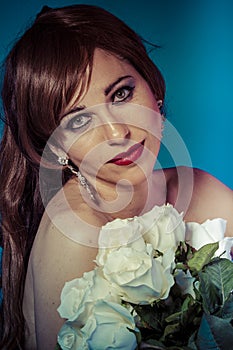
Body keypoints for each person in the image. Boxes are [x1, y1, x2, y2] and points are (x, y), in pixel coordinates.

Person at [0, 4, 232, 349]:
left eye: (121, 94)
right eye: (79, 121)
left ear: (154, 89)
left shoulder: (198, 187)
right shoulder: (74, 234)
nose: (115, 132)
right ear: (57, 146)